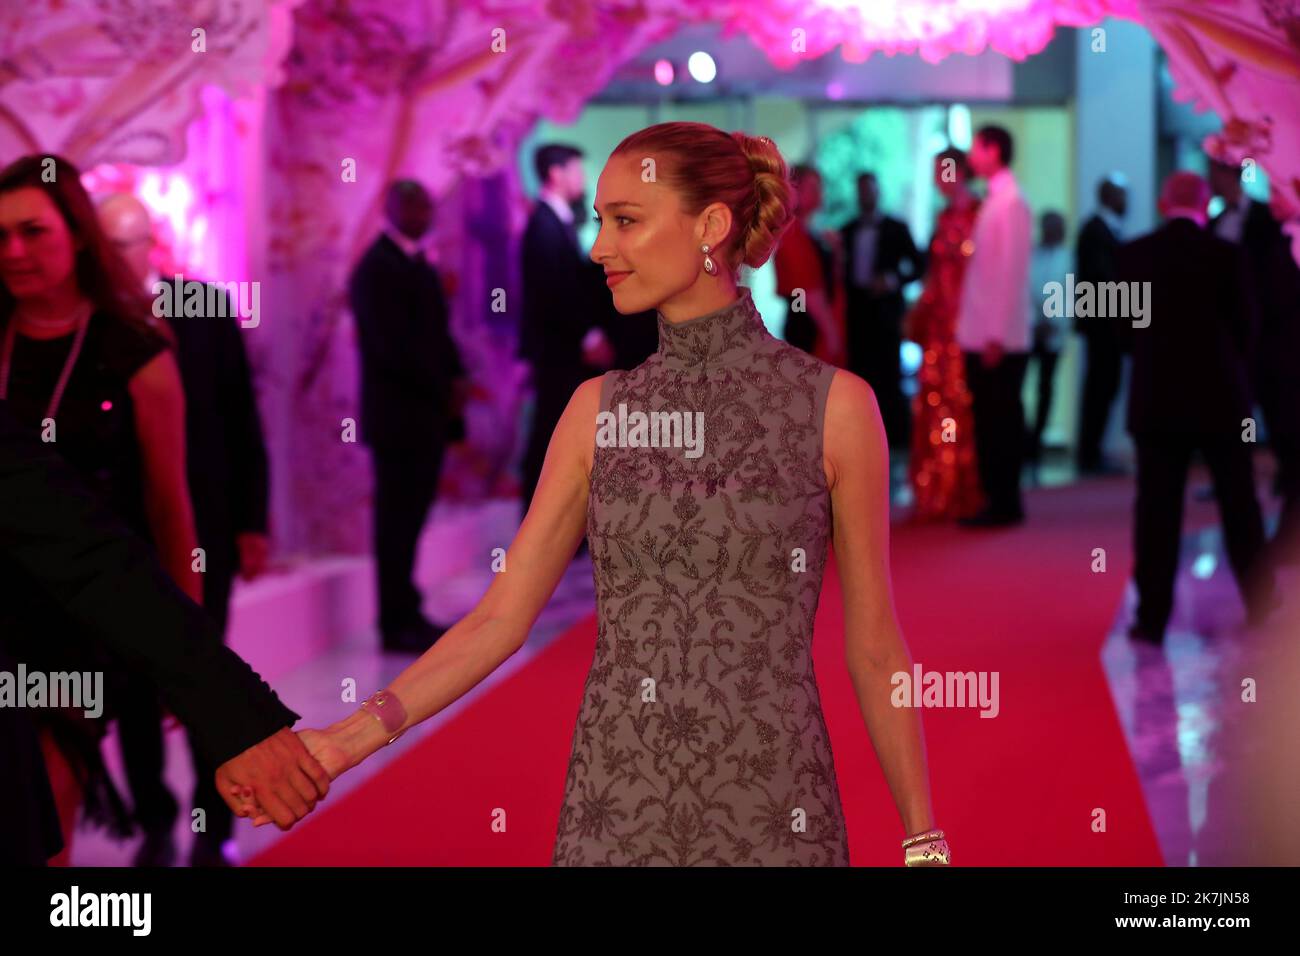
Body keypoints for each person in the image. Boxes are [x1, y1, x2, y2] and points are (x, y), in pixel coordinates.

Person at [236, 122, 950, 868]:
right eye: (599, 220)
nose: (599, 248)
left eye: (627, 221)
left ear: (710, 226)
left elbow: (874, 646)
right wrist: (339, 743)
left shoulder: (836, 408)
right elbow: (498, 621)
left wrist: (923, 839)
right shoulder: (595, 413)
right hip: (617, 806)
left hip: (776, 809)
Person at [0, 399, 328, 865]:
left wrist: (234, 716)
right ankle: (157, 822)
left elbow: (92, 548)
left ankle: (196, 831)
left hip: (74, 622)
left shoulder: (136, 354)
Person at [0, 155, 202, 866]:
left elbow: (170, 508)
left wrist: (187, 653)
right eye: (0, 237)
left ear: (77, 234)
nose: (14, 252)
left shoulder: (135, 351)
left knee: (43, 808)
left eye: (32, 231)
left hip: (78, 616)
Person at [99, 191, 271, 866]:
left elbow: (241, 422)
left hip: (207, 527)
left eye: (130, 242)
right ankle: (154, 819)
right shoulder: (93, 322)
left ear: (153, 244)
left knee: (203, 676)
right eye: (108, 245)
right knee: (135, 686)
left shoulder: (202, 309)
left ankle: (211, 821)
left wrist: (254, 523)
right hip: (120, 538)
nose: (120, 257)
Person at [1117, 171, 1278, 644]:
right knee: (1240, 504)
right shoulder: (1227, 256)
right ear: (1204, 203)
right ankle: (1261, 604)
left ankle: (1151, 619)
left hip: (1156, 403)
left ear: (1165, 202)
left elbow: (1123, 333)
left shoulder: (1134, 255)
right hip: (1220, 402)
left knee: (1156, 512)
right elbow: (1249, 329)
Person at [348, 180, 468, 654]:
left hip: (424, 414)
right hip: (399, 418)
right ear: (390, 209)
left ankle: (406, 608)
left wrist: (455, 380)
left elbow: (438, 335)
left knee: (412, 517)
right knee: (396, 521)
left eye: (426, 206)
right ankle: (393, 620)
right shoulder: (375, 268)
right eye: (413, 206)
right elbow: (390, 347)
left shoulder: (417, 262)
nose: (422, 215)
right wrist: (442, 384)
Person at [1209, 158, 1300, 565]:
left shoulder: (1268, 224)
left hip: (1280, 351)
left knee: (1288, 437)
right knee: (1256, 435)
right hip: (1241, 354)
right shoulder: (1218, 225)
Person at [517, 143, 614, 523]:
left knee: (557, 437)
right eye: (577, 169)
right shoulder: (543, 224)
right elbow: (553, 291)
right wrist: (588, 337)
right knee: (548, 439)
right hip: (556, 353)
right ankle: (538, 527)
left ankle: (556, 529)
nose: (583, 178)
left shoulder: (555, 221)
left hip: (562, 350)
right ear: (556, 173)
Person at [955, 126, 1033, 527]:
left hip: (997, 337)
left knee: (1000, 420)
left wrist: (996, 335)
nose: (971, 155)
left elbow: (1010, 273)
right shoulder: (998, 200)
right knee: (990, 419)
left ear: (993, 150)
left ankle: (1005, 500)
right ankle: (997, 498)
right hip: (987, 333)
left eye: (976, 147)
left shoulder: (1011, 203)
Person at [903, 147, 983, 520]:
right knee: (935, 402)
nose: (938, 179)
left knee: (959, 401)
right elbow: (935, 275)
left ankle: (959, 486)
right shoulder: (944, 215)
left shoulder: (978, 214)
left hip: (965, 325)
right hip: (938, 326)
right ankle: (936, 486)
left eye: (942, 171)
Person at [839, 172, 924, 451]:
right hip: (857, 314)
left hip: (887, 314)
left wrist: (892, 280)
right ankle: (862, 437)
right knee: (859, 375)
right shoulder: (847, 230)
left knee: (889, 375)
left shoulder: (896, 228)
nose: (866, 196)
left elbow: (919, 266)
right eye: (862, 191)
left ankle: (894, 439)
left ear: (878, 193)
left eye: (870, 190)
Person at [1075, 174, 1129, 475]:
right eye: (1122, 195)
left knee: (1105, 387)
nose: (1126, 201)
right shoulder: (1095, 231)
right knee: (1099, 387)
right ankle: (1089, 452)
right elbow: (1101, 280)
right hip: (1102, 325)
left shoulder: (1105, 230)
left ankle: (1093, 450)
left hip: (1107, 324)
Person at [774, 164, 843, 363]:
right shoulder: (793, 232)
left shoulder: (805, 231)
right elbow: (804, 290)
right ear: (794, 191)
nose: (819, 193)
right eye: (813, 187)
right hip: (806, 322)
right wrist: (829, 331)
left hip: (804, 317)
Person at [1027, 210, 1071, 468]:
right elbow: (1026, 290)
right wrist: (1035, 322)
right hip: (1030, 330)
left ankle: (1037, 438)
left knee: (1046, 386)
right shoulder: (1031, 255)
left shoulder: (1068, 258)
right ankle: (1023, 437)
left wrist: (1053, 323)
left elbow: (1069, 294)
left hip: (1053, 332)